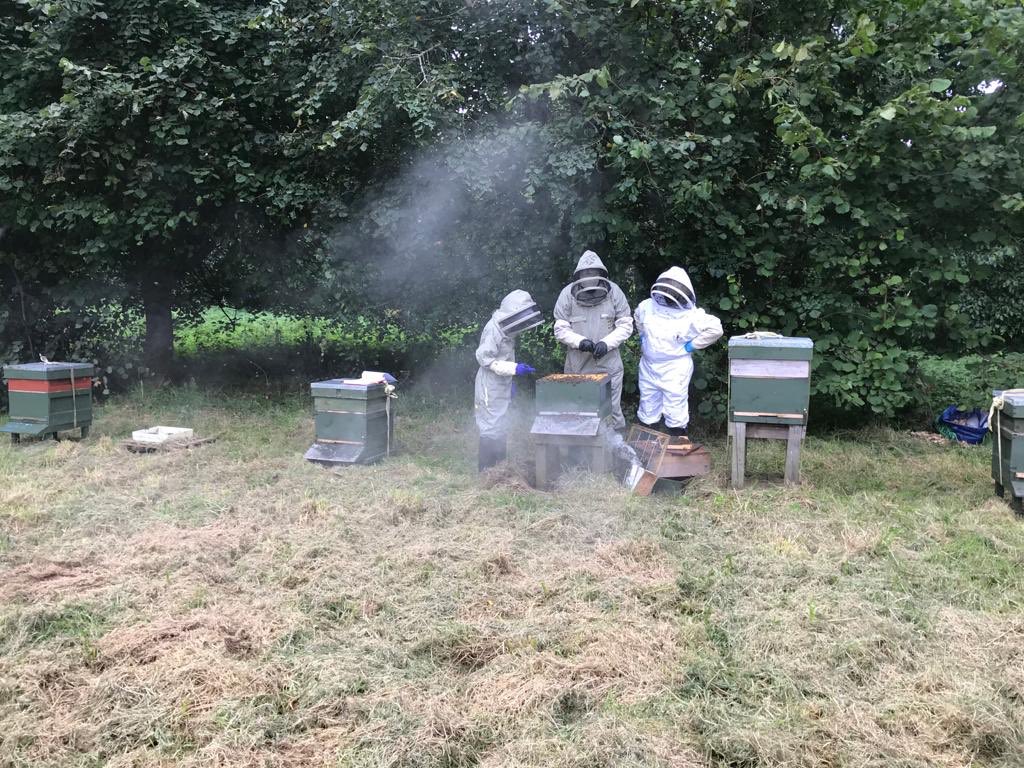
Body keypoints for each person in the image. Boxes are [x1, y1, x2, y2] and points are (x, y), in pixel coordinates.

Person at [634, 266, 723, 437]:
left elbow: (715, 329)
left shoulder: (691, 315)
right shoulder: (647, 306)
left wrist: (692, 345)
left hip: (675, 368)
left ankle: (677, 447)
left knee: (675, 406)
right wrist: (643, 336)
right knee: (647, 403)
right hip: (649, 365)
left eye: (673, 292)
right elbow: (638, 316)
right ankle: (646, 449)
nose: (670, 296)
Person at [553, 250, 633, 430]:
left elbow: (626, 324)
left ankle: (615, 448)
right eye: (586, 272)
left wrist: (607, 343)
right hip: (578, 362)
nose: (589, 275)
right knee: (578, 405)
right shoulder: (567, 294)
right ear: (579, 274)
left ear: (601, 273)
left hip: (608, 361)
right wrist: (580, 342)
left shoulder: (614, 292)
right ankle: (580, 448)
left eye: (593, 272)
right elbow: (560, 328)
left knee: (611, 407)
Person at [474, 289, 543, 471]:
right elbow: (485, 359)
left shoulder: (507, 331)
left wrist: (511, 380)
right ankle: (486, 472)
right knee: (491, 426)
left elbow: (503, 358)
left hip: (501, 382)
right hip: (489, 384)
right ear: (512, 313)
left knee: (502, 422)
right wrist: (514, 369)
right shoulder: (493, 330)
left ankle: (500, 468)